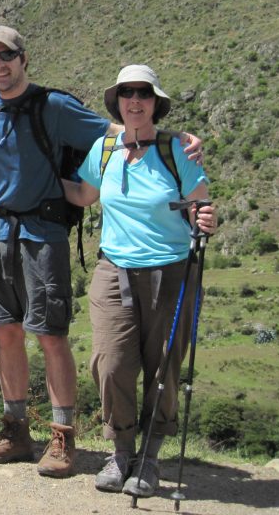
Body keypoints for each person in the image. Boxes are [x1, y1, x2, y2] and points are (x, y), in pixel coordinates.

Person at [0, 25, 202, 479]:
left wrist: (172, 139)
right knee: (6, 335)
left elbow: (118, 129)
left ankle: (62, 437)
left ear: (24, 59)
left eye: (8, 56)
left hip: (43, 235)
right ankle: (16, 430)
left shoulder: (52, 106)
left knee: (51, 335)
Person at [62, 65, 216, 497]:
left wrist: (206, 219)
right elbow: (83, 194)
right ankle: (121, 451)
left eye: (143, 94)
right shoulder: (106, 147)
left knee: (163, 366)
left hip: (172, 270)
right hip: (114, 270)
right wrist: (36, 180)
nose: (134, 101)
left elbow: (200, 207)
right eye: (126, 93)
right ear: (117, 102)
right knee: (110, 363)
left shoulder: (176, 150)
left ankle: (149, 459)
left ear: (155, 103)